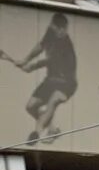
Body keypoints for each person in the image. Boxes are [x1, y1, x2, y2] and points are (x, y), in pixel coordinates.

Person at [2, 12, 78, 144]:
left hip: (67, 83)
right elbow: (41, 46)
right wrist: (25, 59)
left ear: (64, 29)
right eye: (54, 30)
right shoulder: (51, 31)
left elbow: (49, 61)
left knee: (53, 100)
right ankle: (52, 129)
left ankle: (37, 133)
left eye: (59, 31)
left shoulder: (66, 45)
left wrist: (30, 67)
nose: (56, 33)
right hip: (51, 80)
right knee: (31, 106)